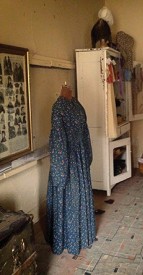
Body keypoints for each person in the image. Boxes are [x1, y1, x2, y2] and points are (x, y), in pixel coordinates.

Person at [47, 84, 96, 255]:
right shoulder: (76, 106)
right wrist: (86, 156)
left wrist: (59, 173)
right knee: (78, 196)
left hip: (66, 160)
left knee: (69, 197)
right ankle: (83, 236)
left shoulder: (60, 107)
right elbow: (85, 134)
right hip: (79, 159)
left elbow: (58, 140)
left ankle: (67, 239)